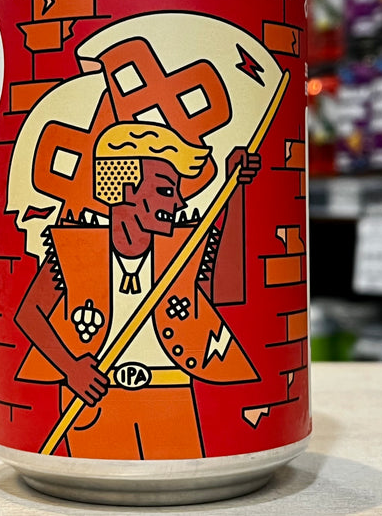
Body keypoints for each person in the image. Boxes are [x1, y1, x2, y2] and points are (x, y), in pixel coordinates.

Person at [15, 122, 260, 459]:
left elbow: (226, 292)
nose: (178, 202)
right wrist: (71, 369)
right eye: (166, 190)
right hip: (94, 398)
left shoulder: (182, 249)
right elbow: (29, 313)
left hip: (171, 391)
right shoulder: (76, 247)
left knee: (180, 470)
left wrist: (236, 193)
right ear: (126, 188)